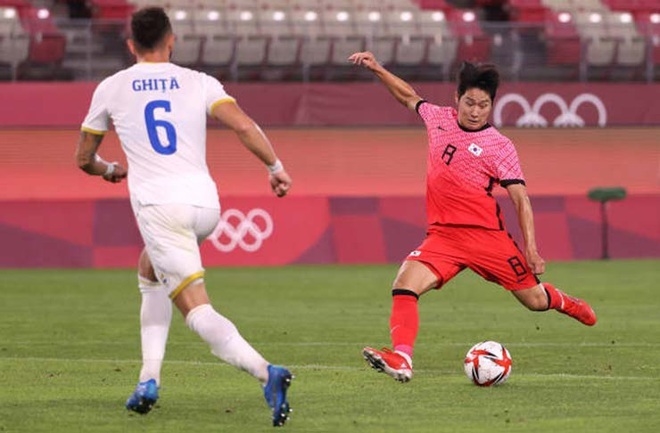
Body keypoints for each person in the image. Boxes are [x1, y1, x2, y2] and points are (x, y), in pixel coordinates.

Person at [75, 7, 294, 426]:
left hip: (162, 209)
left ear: (130, 45)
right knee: (149, 269)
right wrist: (275, 168)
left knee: (197, 311)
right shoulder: (199, 81)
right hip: (207, 207)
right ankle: (148, 379)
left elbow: (83, 158)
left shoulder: (112, 86)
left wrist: (109, 170)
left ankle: (267, 373)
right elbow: (245, 126)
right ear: (171, 40)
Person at [348, 51, 597, 383]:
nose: (476, 111)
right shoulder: (438, 118)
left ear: (492, 105)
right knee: (404, 286)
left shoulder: (500, 146)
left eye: (483, 105)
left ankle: (567, 302)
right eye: (470, 103)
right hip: (443, 237)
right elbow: (407, 95)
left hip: (487, 239)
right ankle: (402, 358)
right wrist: (377, 68)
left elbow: (520, 199)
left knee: (535, 301)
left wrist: (531, 249)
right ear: (457, 99)